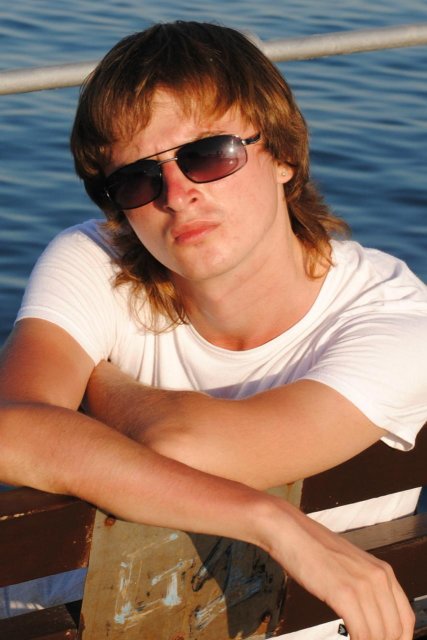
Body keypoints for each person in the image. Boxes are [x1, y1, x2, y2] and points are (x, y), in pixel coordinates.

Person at [0, 20, 426, 639]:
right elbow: (9, 428)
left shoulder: (396, 318)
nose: (176, 195)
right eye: (138, 178)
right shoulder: (95, 258)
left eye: (208, 155)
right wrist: (272, 522)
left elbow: (183, 445)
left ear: (282, 156)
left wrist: (97, 385)